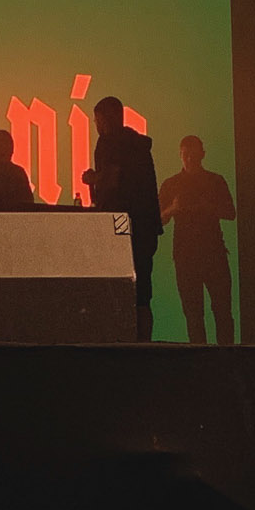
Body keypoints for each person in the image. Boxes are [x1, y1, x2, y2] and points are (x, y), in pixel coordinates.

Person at [82, 96, 161, 341]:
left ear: (106, 119)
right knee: (143, 291)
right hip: (146, 226)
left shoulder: (110, 143)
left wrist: (92, 178)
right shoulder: (139, 145)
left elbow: (112, 180)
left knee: (116, 283)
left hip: (120, 221)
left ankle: (121, 342)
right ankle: (143, 343)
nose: (97, 126)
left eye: (98, 120)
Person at [157, 135, 237, 345]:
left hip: (212, 255)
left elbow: (230, 212)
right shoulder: (173, 184)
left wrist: (208, 207)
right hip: (189, 257)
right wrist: (174, 208)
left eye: (193, 155)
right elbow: (158, 220)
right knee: (195, 314)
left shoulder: (214, 181)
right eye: (186, 155)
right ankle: (214, 356)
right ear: (180, 155)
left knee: (220, 311)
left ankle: (221, 356)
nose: (190, 159)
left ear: (202, 154)